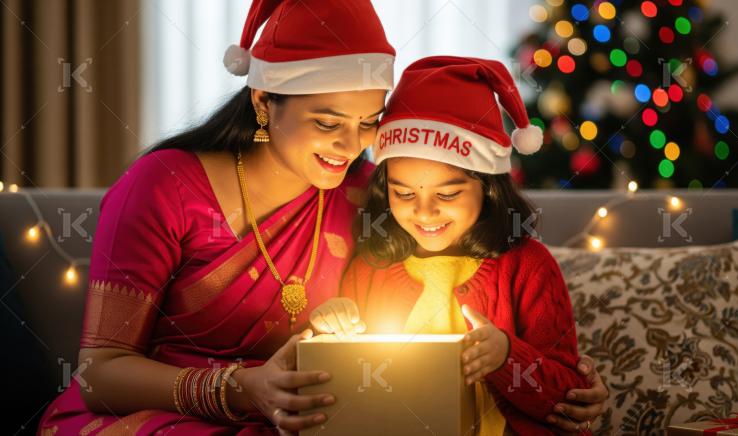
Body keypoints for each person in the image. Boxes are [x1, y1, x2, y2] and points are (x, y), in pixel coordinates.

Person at [38, 1, 607, 434]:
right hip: (160, 416)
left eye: (368, 123)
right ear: (265, 102)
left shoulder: (371, 194)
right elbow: (99, 374)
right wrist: (239, 389)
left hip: (299, 419)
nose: (350, 145)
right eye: (328, 122)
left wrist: (561, 383)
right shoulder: (164, 185)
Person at [310, 56, 593, 435]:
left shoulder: (528, 266)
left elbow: (569, 398)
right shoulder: (370, 266)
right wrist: (333, 329)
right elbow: (346, 389)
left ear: (488, 187)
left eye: (447, 193)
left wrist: (506, 356)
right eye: (404, 193)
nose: (424, 212)